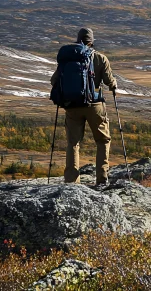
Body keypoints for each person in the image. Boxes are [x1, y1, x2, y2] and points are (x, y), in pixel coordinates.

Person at [50, 28, 117, 185]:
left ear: (78, 40)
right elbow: (109, 82)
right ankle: (102, 178)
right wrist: (114, 84)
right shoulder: (100, 58)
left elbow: (54, 81)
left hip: (72, 105)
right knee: (102, 140)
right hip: (95, 106)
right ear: (91, 41)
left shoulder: (68, 58)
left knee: (73, 143)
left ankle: (72, 182)